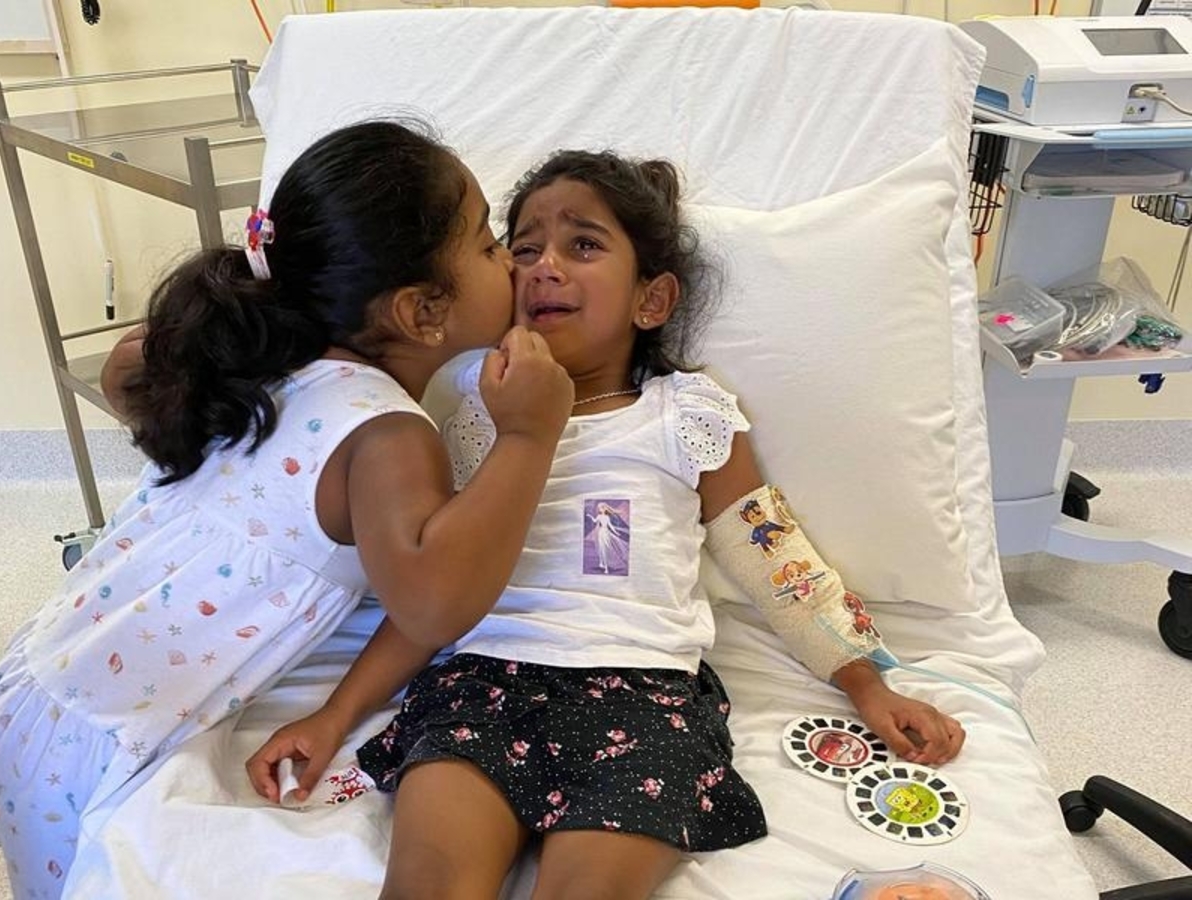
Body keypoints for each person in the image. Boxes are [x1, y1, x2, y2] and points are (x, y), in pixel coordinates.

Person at [247, 149, 966, 900]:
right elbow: (430, 596)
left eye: (583, 245)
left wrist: (866, 684)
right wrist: (334, 716)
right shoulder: (472, 415)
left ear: (651, 300)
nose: (543, 268)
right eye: (522, 249)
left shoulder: (684, 415)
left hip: (643, 699)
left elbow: (775, 561)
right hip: (480, 688)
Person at [0, 120, 572, 900]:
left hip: (43, 683)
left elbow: (128, 369)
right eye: (489, 243)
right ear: (421, 312)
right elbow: (435, 603)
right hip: (104, 747)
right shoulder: (389, 437)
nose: (512, 263)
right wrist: (530, 435)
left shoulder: (266, 362)